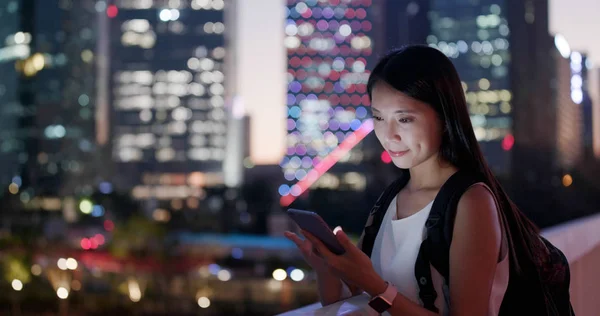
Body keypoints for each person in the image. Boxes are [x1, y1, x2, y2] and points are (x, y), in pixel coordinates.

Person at [284, 45, 553, 316]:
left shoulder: (472, 201)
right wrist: (326, 269)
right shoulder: (390, 198)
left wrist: (376, 285)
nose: (389, 135)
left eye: (404, 119)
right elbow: (352, 303)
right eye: (378, 117)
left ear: (444, 118)